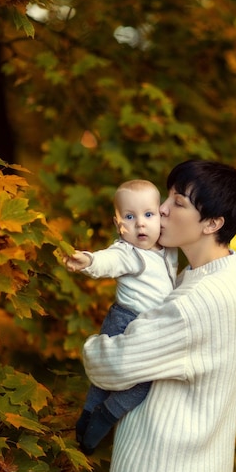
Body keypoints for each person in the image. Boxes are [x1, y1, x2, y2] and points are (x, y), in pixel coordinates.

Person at [82, 159, 236, 472]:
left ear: (211, 223)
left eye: (176, 203)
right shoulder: (226, 273)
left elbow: (109, 364)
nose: (160, 210)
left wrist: (94, 344)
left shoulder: (196, 303)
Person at [64, 179, 177, 455]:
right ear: (119, 226)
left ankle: (96, 414)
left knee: (139, 378)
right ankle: (100, 415)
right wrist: (89, 261)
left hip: (147, 325)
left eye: (148, 214)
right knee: (131, 378)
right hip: (125, 321)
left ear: (160, 217)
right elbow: (108, 260)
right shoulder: (128, 252)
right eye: (130, 216)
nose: (140, 224)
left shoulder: (168, 248)